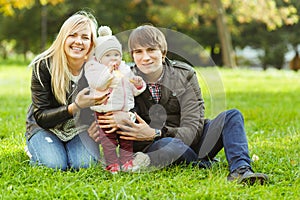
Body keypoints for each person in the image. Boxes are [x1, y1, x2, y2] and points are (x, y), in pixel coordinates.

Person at [88, 24, 269, 185]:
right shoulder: (124, 79)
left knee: (232, 116)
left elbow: (195, 127)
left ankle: (241, 170)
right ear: (132, 56)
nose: (145, 57)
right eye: (138, 52)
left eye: (151, 50)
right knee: (168, 146)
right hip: (158, 146)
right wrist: (104, 124)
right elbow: (123, 122)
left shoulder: (185, 74)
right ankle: (203, 164)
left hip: (192, 140)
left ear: (163, 52)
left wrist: (156, 133)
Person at [25, 11, 110, 171]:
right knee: (54, 164)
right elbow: (41, 116)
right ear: (63, 37)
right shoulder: (43, 65)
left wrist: (99, 125)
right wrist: (75, 106)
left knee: (84, 164)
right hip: (45, 127)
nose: (78, 41)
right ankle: (36, 147)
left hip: (79, 128)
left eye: (85, 37)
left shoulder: (99, 69)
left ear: (92, 44)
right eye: (73, 35)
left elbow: (111, 102)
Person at [85, 26, 146, 173]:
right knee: (108, 140)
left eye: (116, 55)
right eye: (108, 55)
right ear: (99, 58)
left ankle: (127, 162)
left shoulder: (125, 69)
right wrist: (109, 72)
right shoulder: (94, 69)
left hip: (124, 111)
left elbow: (133, 90)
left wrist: (138, 84)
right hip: (104, 112)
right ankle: (112, 163)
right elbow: (98, 84)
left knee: (127, 138)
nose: (113, 59)